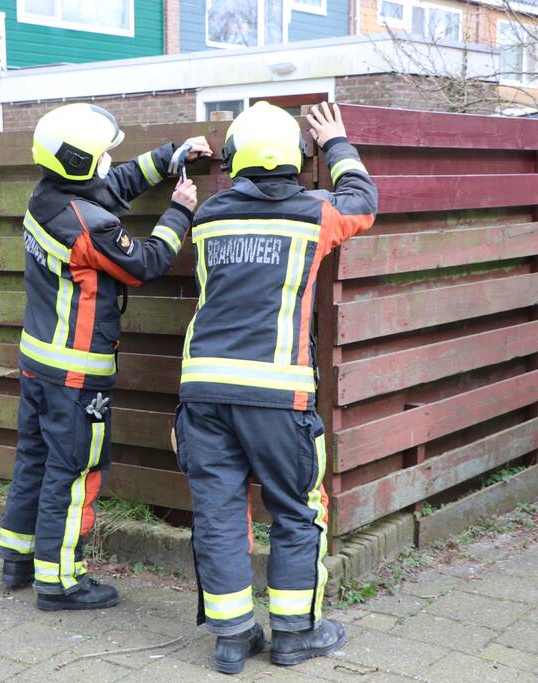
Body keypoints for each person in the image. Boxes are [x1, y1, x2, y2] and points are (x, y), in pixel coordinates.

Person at [174, 101, 378, 673]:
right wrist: (336, 144)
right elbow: (363, 203)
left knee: (217, 513)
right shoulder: (314, 213)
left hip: (204, 390)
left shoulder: (208, 217)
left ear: (234, 159)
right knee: (295, 511)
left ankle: (232, 639)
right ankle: (294, 635)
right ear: (295, 158)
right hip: (278, 394)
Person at [0, 103, 212, 611]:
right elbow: (148, 262)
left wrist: (169, 156)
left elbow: (109, 186)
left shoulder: (46, 198)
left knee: (35, 458)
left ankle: (18, 557)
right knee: (74, 471)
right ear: (81, 162)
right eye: (101, 155)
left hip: (38, 362)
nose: (108, 162)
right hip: (77, 371)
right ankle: (60, 582)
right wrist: (179, 209)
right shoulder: (89, 227)